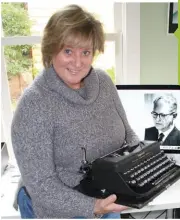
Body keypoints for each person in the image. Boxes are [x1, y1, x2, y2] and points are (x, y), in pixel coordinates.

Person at [11, 5, 140, 219]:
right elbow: (42, 186)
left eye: (86, 52)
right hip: (57, 206)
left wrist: (145, 163)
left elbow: (128, 135)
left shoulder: (103, 82)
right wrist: (95, 207)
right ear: (51, 50)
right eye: (68, 51)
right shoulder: (34, 104)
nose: (78, 62)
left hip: (103, 195)